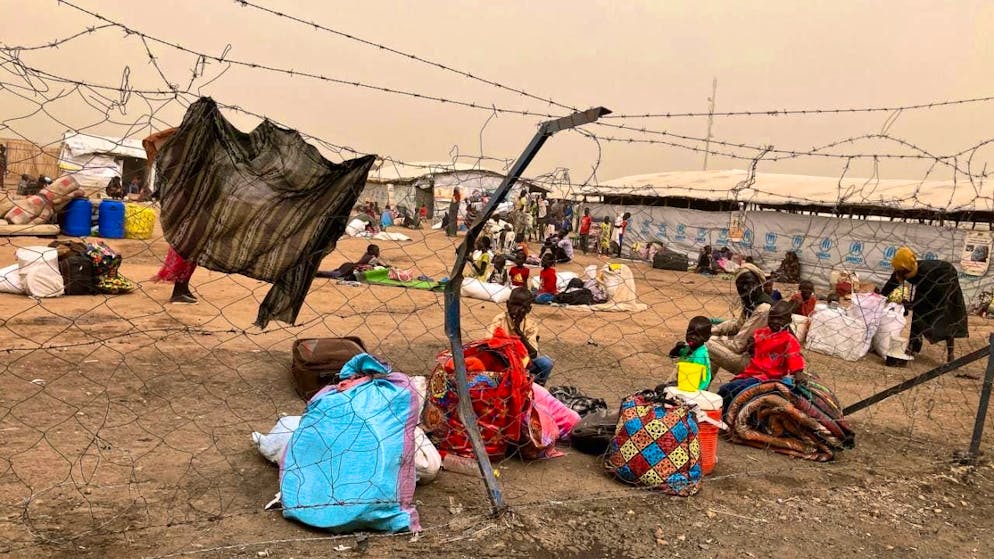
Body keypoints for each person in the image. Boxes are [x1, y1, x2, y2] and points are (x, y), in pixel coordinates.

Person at [880, 246, 968, 362]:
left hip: (945, 280)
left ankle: (950, 355)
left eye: (902, 273)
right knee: (918, 315)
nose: (899, 274)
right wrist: (881, 297)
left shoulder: (927, 272)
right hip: (927, 286)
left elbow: (930, 295)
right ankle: (912, 347)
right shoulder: (902, 268)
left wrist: (911, 304)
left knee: (946, 317)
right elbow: (892, 283)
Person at [706, 263, 775, 376]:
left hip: (756, 364)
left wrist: (711, 338)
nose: (745, 287)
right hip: (751, 357)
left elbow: (738, 345)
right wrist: (711, 331)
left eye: (749, 283)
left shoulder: (763, 308)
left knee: (705, 345)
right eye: (740, 284)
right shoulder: (751, 301)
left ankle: (681, 384)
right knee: (709, 349)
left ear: (759, 283)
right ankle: (701, 388)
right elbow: (738, 325)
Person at [489, 287, 554, 385]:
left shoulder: (531, 325)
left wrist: (518, 332)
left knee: (546, 363)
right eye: (514, 305)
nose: (516, 310)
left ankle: (535, 386)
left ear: (529, 309)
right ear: (507, 304)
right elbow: (488, 344)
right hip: (503, 362)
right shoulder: (499, 320)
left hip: (524, 362)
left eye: (522, 307)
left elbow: (533, 353)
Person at [735, 301, 805, 382]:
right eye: (772, 318)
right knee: (726, 388)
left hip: (770, 376)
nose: (775, 321)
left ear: (788, 321)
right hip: (752, 371)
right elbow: (753, 352)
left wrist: (798, 373)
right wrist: (751, 346)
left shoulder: (789, 340)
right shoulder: (760, 333)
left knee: (736, 387)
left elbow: (794, 356)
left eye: (779, 319)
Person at [667, 316, 713, 390]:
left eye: (697, 335)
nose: (692, 337)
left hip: (696, 386)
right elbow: (672, 355)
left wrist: (676, 384)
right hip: (685, 381)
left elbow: (694, 377)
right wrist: (677, 348)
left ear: (706, 337)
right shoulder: (688, 348)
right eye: (690, 333)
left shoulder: (700, 354)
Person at [317, 244, 384, 281]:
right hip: (351, 267)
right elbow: (377, 264)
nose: (377, 252)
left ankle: (320, 273)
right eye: (377, 251)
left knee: (334, 273)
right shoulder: (372, 257)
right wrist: (385, 266)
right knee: (336, 274)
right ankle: (318, 273)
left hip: (349, 265)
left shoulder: (367, 254)